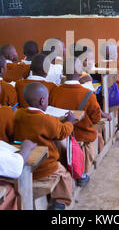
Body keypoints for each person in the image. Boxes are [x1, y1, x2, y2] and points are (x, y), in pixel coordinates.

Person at [14, 82, 76, 210]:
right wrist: (69, 122)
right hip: (45, 166)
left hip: (25, 163)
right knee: (65, 176)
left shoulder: (19, 114)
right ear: (42, 101)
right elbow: (63, 132)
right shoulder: (47, 120)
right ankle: (60, 203)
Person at [49, 56, 102, 187]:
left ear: (63, 73)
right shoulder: (88, 94)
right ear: (80, 72)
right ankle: (83, 173)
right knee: (89, 140)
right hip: (81, 134)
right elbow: (96, 118)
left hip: (60, 134)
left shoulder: (54, 91)